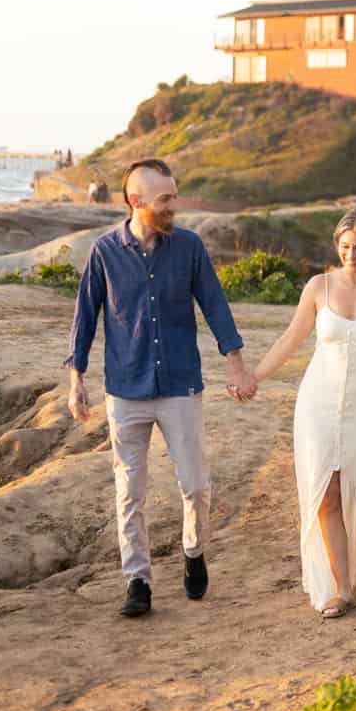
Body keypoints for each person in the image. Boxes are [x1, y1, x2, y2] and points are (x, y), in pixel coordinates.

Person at [66, 158, 257, 618]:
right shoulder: (104, 252)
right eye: (166, 199)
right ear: (137, 201)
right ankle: (138, 580)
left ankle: (193, 552)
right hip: (125, 389)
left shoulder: (189, 248)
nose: (175, 205)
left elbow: (215, 304)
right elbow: (85, 317)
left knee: (195, 484)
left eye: (174, 196)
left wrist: (236, 364)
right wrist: (76, 379)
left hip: (179, 386)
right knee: (129, 490)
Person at [248, 207, 356, 620]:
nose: (351, 254)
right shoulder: (319, 286)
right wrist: (256, 376)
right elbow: (292, 337)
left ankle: (351, 572)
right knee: (326, 493)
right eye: (344, 246)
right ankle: (340, 588)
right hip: (317, 405)